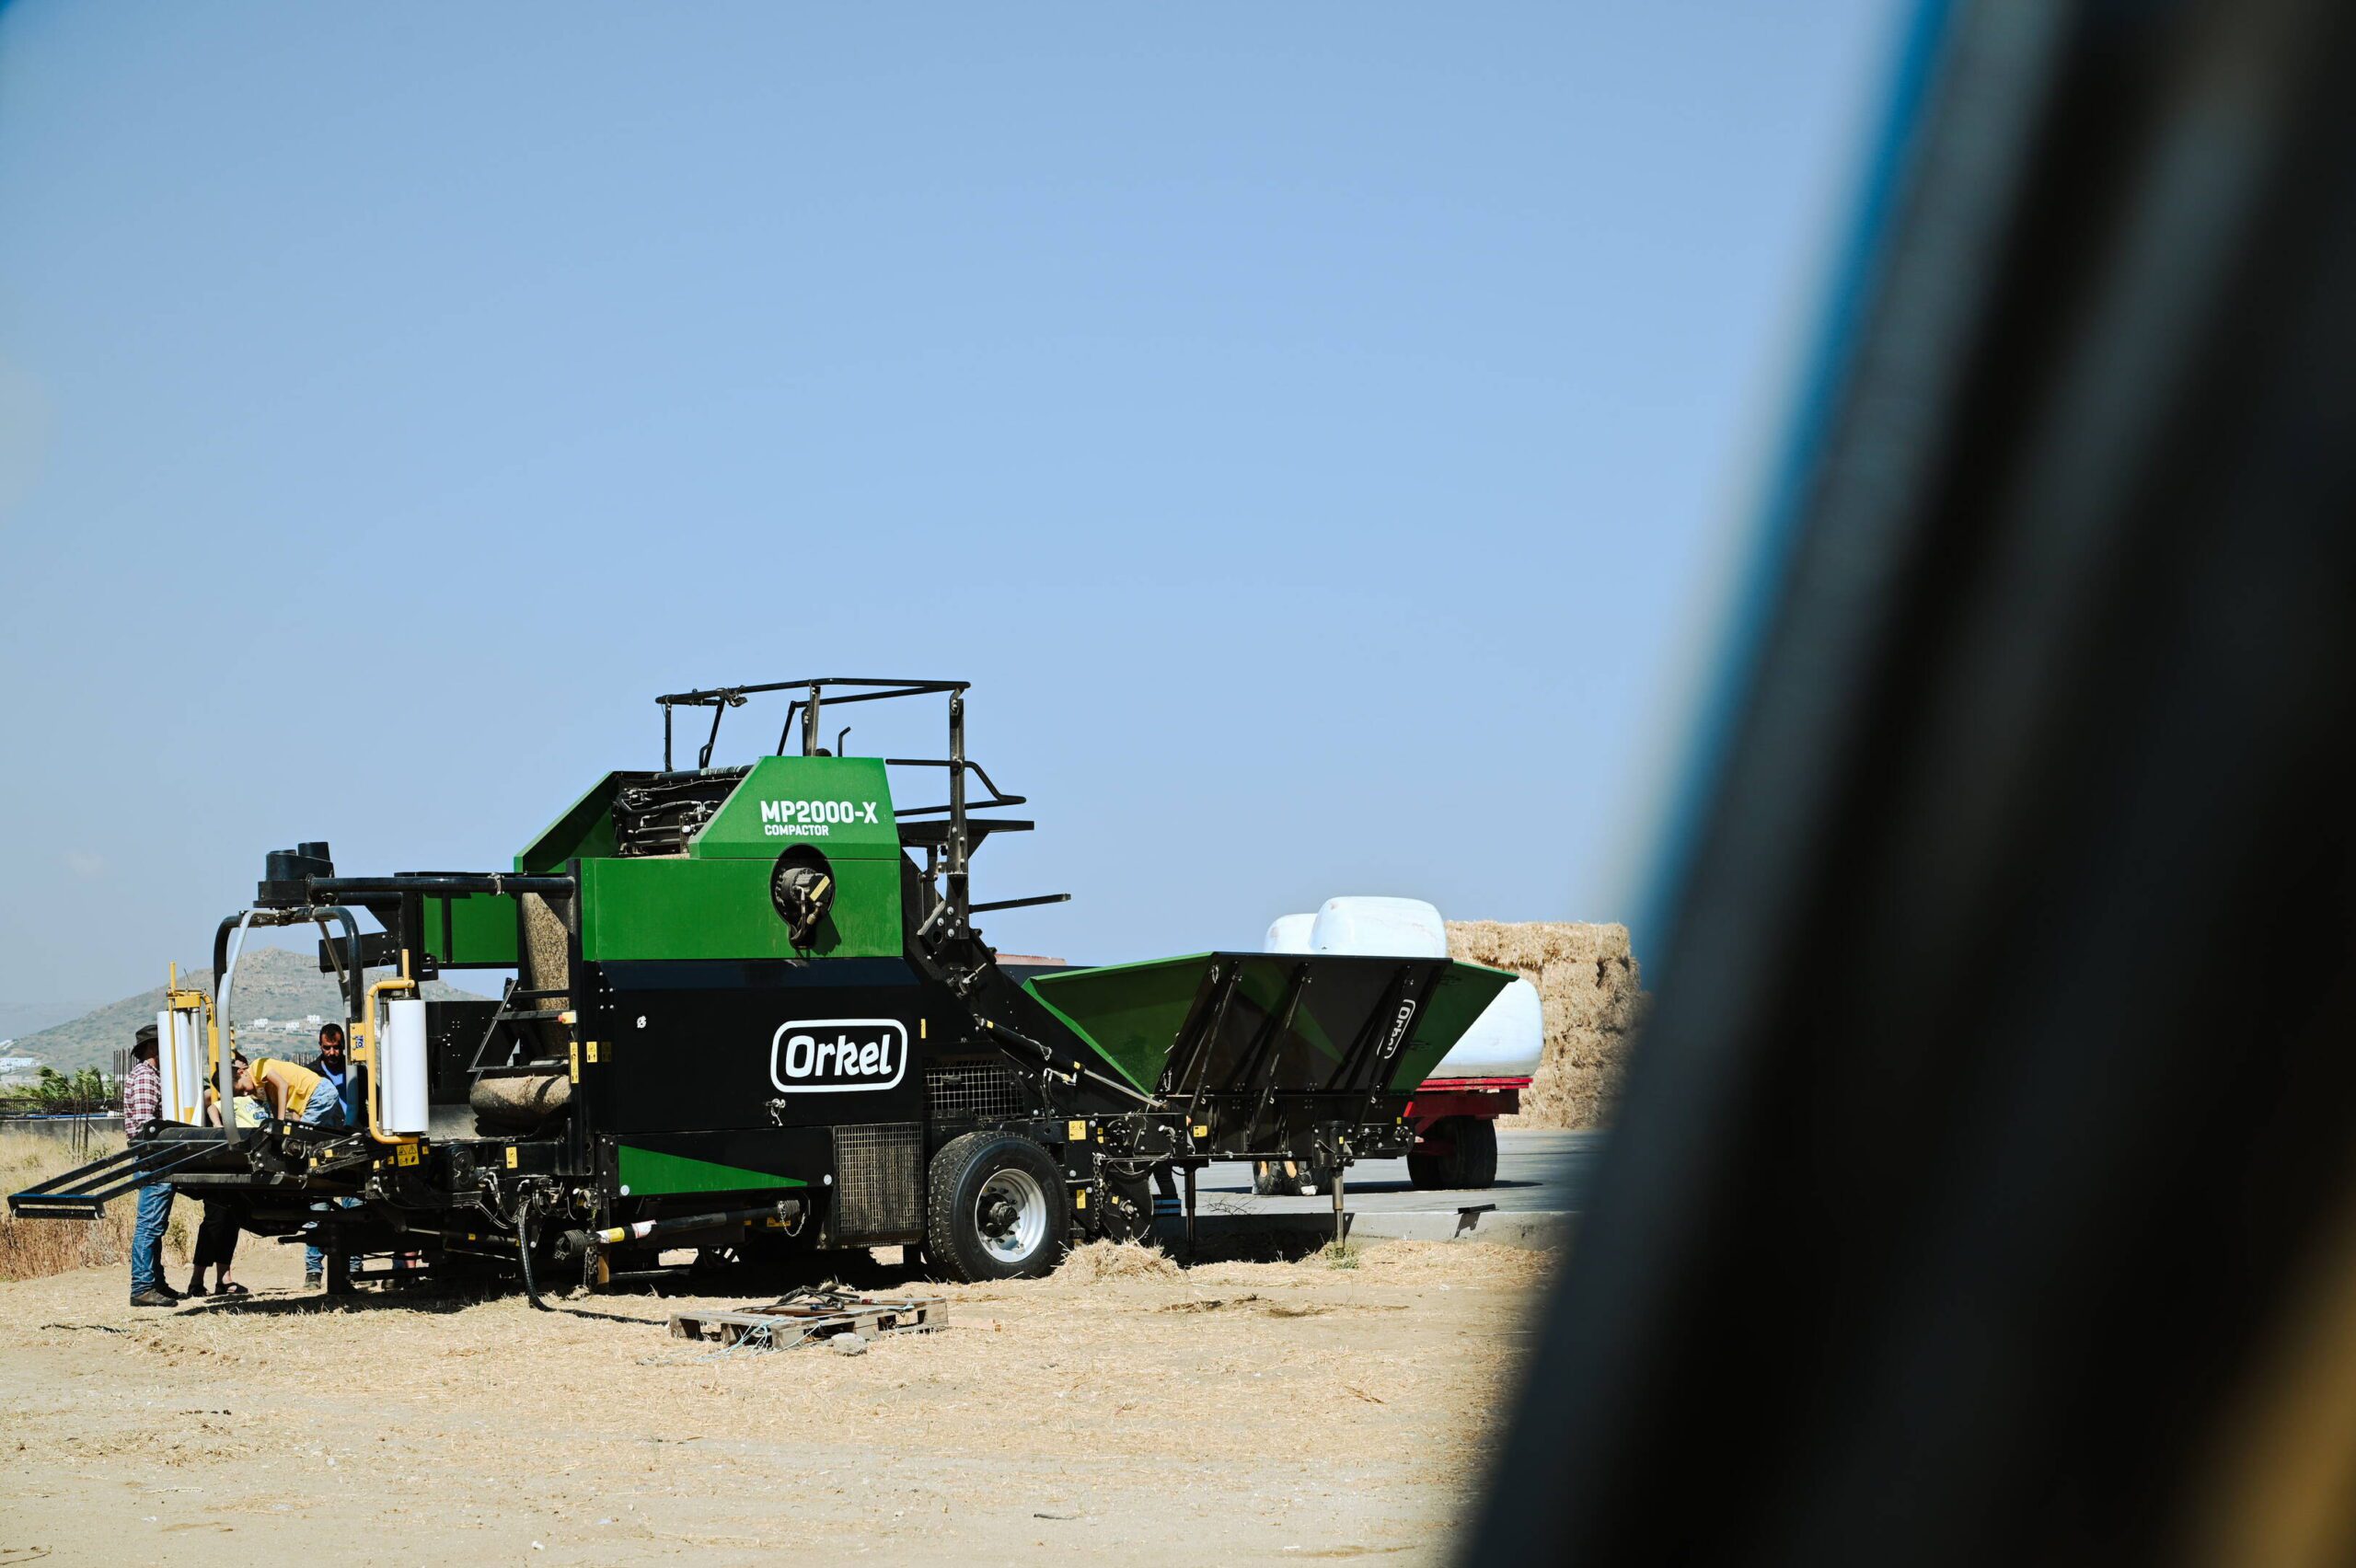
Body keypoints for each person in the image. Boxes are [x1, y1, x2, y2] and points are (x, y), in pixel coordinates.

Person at [234, 1049, 350, 1286]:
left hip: (320, 1094)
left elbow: (284, 1085)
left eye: (243, 1088)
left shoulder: (259, 1066)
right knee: (331, 1150)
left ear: (243, 1072)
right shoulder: (264, 1088)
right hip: (323, 1094)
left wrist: (281, 1126)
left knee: (298, 1146)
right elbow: (292, 1108)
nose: (246, 1092)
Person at [185, 1087, 260, 1298]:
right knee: (214, 1223)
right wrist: (219, 1128)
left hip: (242, 1168)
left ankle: (223, 1279)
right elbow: (210, 1103)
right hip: (221, 1165)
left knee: (232, 1223)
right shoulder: (222, 1097)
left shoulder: (254, 1101)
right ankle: (196, 1280)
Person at [123, 1023, 179, 1308]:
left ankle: (154, 1282)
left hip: (153, 1157)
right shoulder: (147, 1077)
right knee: (150, 1224)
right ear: (153, 1047)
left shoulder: (150, 1075)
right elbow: (148, 1128)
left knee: (155, 1222)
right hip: (152, 1157)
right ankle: (142, 1286)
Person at [304, 1021, 364, 1129]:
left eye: (336, 1047)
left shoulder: (359, 1071)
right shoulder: (311, 1073)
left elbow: (377, 1099)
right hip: (326, 1134)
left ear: (343, 1045)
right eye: (327, 1048)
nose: (332, 1052)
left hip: (357, 1133)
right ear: (320, 1046)